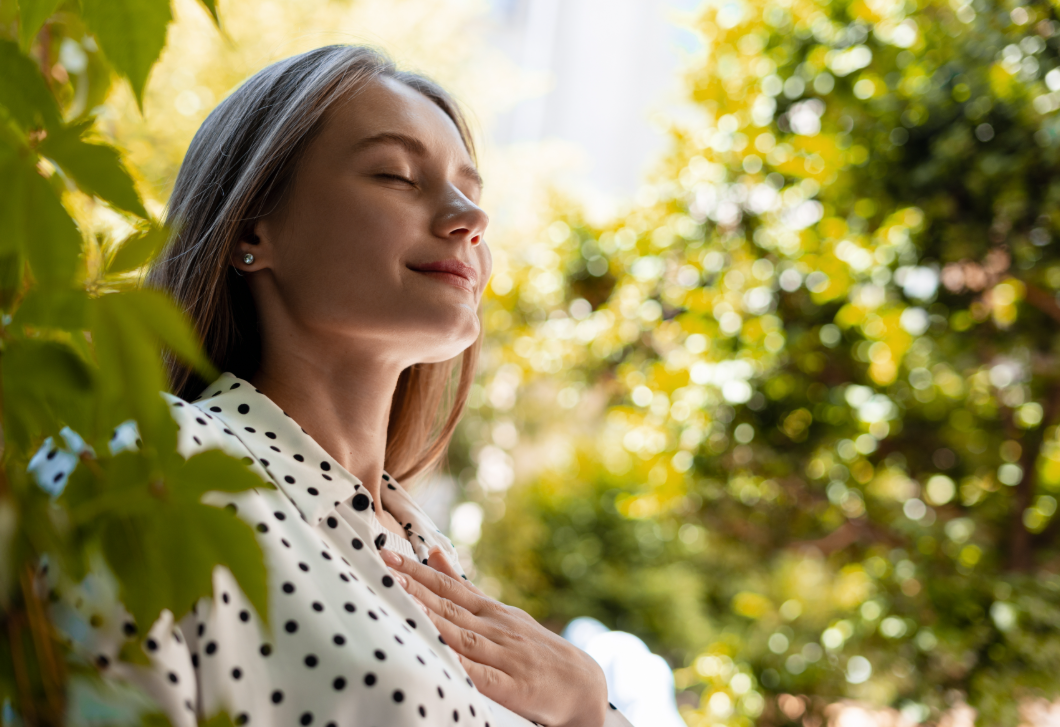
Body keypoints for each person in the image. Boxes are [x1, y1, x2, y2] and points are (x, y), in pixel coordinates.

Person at [44, 46, 636, 727]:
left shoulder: (429, 550)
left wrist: (590, 706)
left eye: (471, 191)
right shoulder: (143, 463)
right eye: (397, 175)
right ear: (250, 232)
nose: (469, 217)